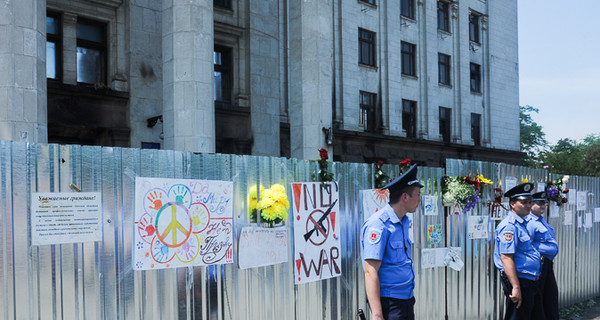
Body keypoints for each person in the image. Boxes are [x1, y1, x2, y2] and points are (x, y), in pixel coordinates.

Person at [360, 164, 424, 320]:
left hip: (406, 300)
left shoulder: (403, 221)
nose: (420, 199)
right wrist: (377, 314)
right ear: (405, 197)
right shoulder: (379, 225)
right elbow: (370, 271)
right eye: (417, 194)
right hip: (390, 304)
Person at [493, 182, 543, 320]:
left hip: (529, 279)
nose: (528, 205)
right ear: (512, 204)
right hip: (520, 280)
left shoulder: (523, 223)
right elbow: (506, 258)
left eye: (529, 202)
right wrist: (515, 287)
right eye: (524, 202)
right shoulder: (509, 226)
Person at [527, 191, 559, 320]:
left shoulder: (541, 220)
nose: (543, 206)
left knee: (550, 297)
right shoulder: (529, 221)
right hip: (538, 264)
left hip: (547, 263)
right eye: (539, 204)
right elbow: (527, 245)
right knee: (540, 298)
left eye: (544, 204)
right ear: (531, 205)